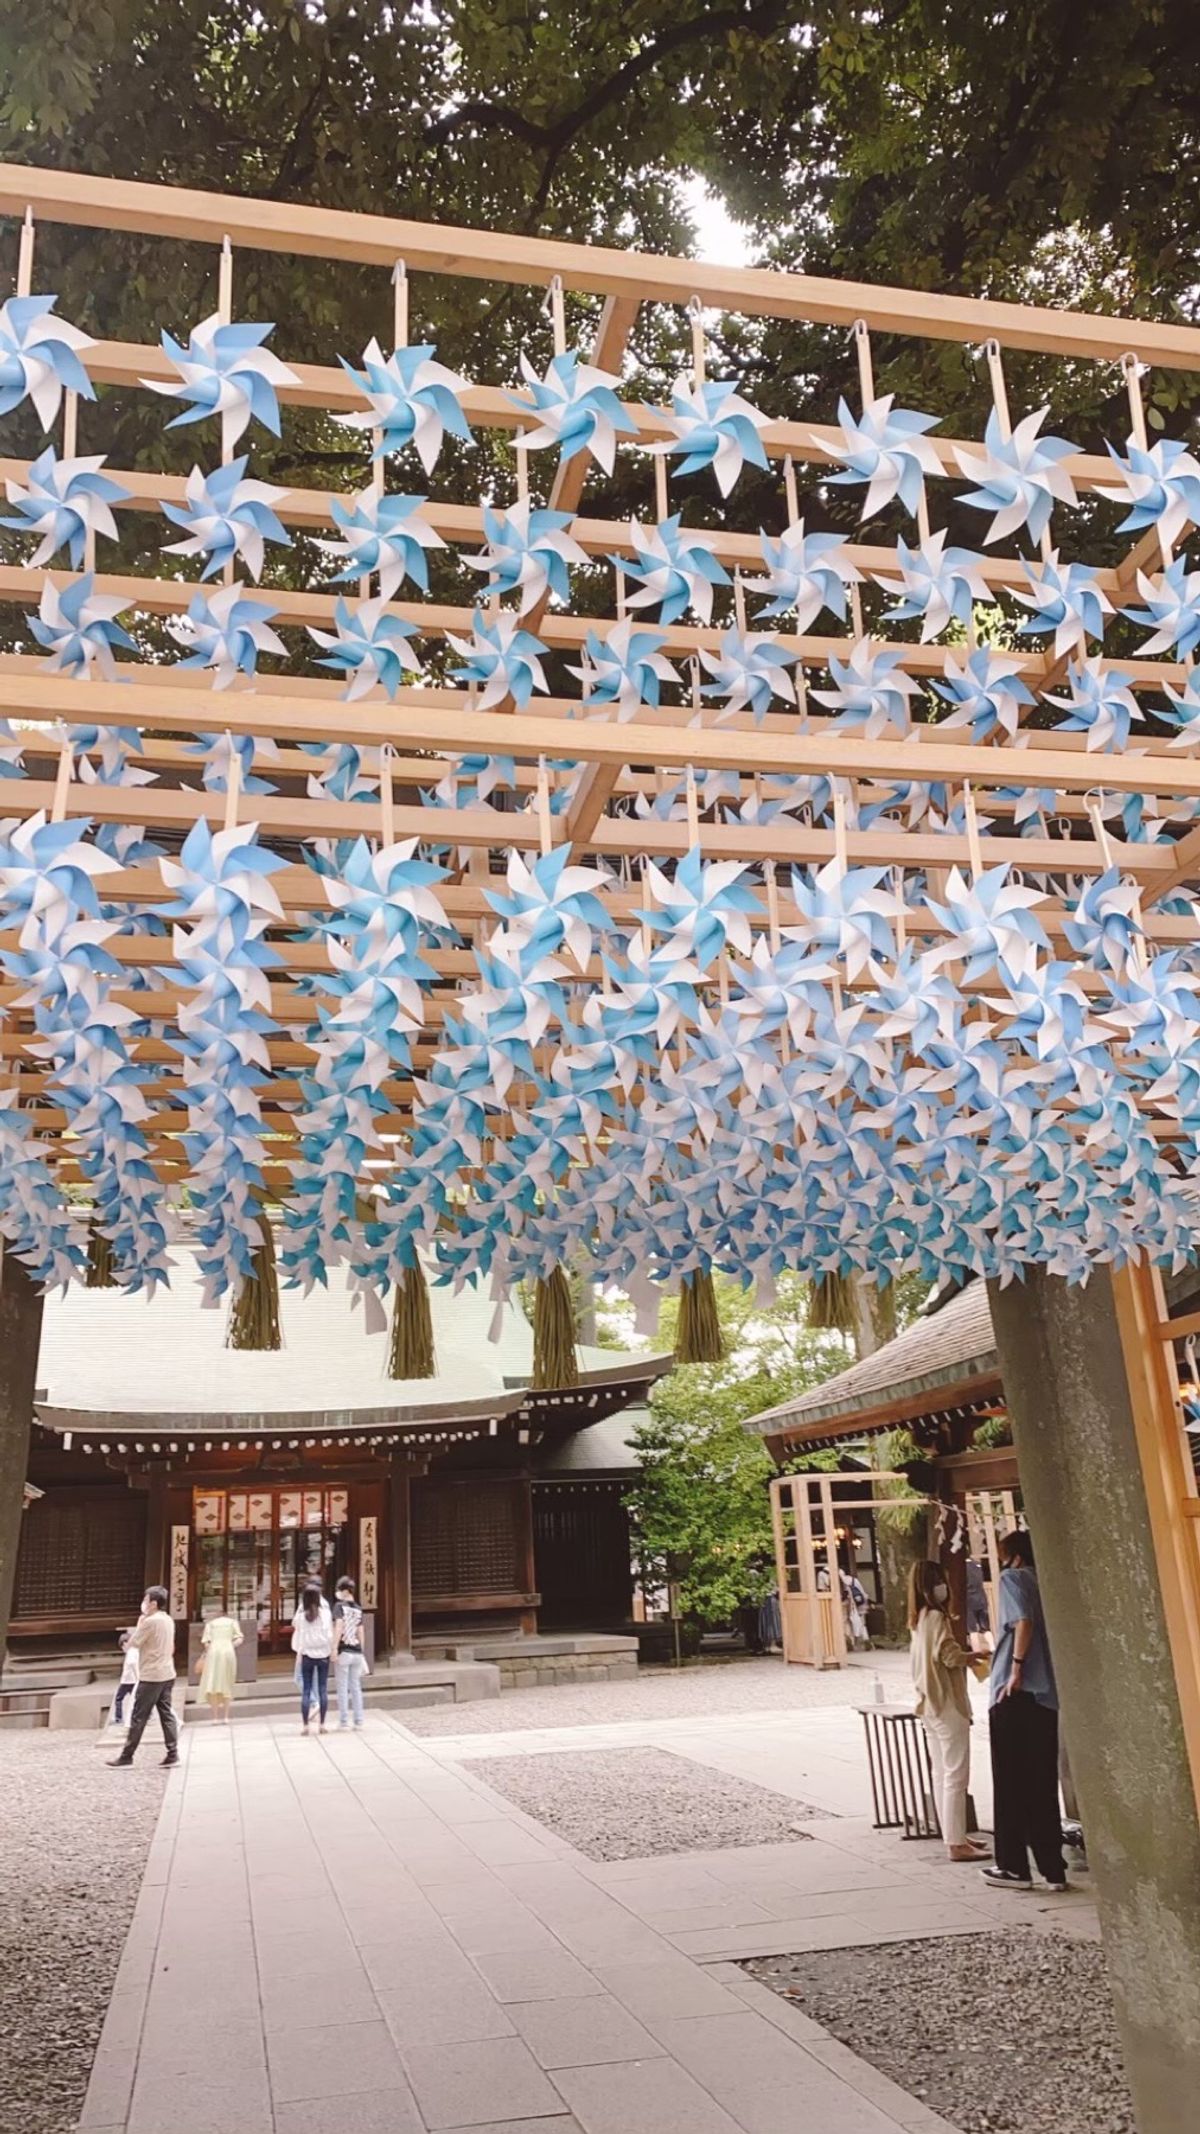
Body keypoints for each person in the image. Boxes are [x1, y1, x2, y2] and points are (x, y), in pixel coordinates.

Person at [982, 1530, 1068, 1892]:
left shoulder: (1013, 1578)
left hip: (1013, 1689)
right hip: (1046, 1694)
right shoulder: (1047, 1581)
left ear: (1013, 1555)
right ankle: (1053, 1867)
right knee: (1042, 1783)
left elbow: (1022, 1622)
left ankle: (1014, 1865)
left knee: (1010, 1783)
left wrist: (1016, 1668)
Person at [908, 1560, 989, 1862]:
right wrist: (974, 1656)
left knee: (941, 1772)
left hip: (928, 1702)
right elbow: (949, 1656)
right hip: (947, 1701)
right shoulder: (936, 1618)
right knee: (956, 1774)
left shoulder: (917, 1619)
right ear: (933, 1586)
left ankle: (953, 1835)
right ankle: (956, 1843)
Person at [109, 1587, 179, 1768]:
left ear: (153, 1603)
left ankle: (127, 1755)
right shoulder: (168, 1619)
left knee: (138, 1716)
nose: (144, 1604)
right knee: (166, 1713)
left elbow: (133, 1643)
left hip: (151, 1675)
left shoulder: (150, 1622)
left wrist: (141, 1623)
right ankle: (173, 1752)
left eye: (146, 1600)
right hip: (167, 1671)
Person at [291, 1580, 333, 1734]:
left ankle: (305, 1726)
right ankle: (322, 1725)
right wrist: (331, 1650)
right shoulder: (326, 1613)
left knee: (306, 1690)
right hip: (323, 1654)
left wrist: (299, 1653)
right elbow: (329, 1634)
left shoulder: (302, 1617)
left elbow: (299, 1634)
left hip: (307, 1654)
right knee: (322, 1688)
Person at [332, 1575, 368, 1729]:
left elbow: (339, 1627)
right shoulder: (358, 1608)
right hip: (357, 1652)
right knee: (356, 1687)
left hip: (344, 1651)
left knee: (342, 1687)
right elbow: (361, 1632)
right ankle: (359, 1720)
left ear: (345, 1591)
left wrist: (334, 1648)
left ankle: (344, 1721)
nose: (338, 1593)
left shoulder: (339, 1607)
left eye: (339, 1590)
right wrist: (362, 1651)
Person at [196, 1610, 243, 1724]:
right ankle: (226, 1717)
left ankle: (215, 1717)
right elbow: (239, 1639)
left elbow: (206, 1643)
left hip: (213, 1653)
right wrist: (229, 1645)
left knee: (212, 1682)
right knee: (227, 1681)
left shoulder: (210, 1624)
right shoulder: (233, 1622)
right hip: (228, 1652)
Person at [111, 1628, 139, 1727]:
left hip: (127, 1680)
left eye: (123, 1646)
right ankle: (145, 1715)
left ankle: (118, 1718)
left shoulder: (131, 1652)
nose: (123, 1648)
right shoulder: (136, 1651)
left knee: (119, 1698)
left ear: (126, 1643)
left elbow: (132, 1664)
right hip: (133, 1680)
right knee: (137, 1698)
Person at [965, 1556, 993, 1655]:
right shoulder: (977, 1565)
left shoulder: (963, 1568)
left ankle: (976, 1652)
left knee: (972, 1629)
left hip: (969, 1600)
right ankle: (993, 1647)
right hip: (981, 1598)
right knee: (985, 1627)